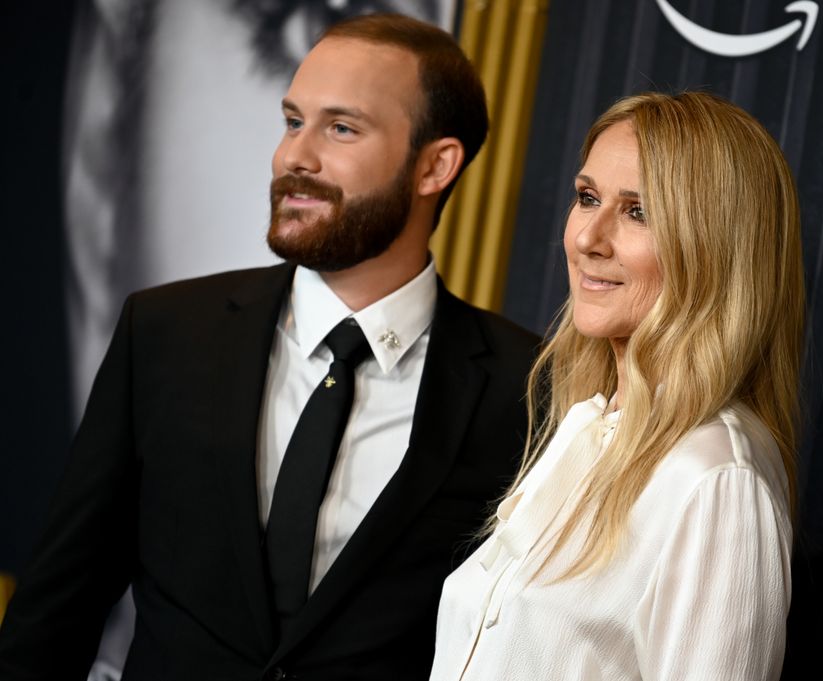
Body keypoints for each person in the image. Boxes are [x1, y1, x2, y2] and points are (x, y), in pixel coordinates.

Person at [0, 13, 537, 681]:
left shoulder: (525, 387)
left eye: (341, 128)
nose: (293, 157)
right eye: (292, 121)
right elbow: (56, 609)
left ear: (435, 165)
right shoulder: (166, 333)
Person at [430, 91, 804, 680]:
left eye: (639, 212)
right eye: (587, 198)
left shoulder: (716, 478)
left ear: (716, 246)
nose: (587, 239)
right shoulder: (590, 425)